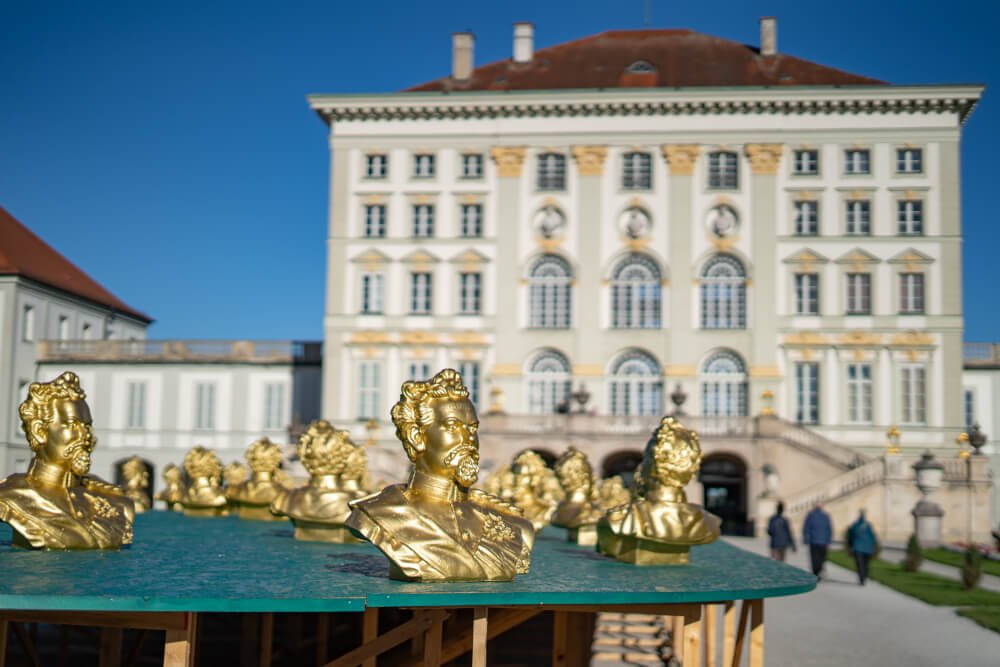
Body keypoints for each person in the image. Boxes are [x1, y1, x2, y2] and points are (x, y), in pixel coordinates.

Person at [346, 368, 535, 581]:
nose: (469, 439)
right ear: (417, 437)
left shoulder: (515, 526)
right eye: (453, 426)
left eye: (472, 429)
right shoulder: (379, 514)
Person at [0, 372, 135, 549]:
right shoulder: (10, 496)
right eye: (72, 424)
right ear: (39, 431)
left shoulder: (115, 500)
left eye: (87, 426)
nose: (86, 436)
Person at [802, 502, 833, 578]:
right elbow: (829, 529)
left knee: (814, 558)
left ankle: (816, 572)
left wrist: (806, 539)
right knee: (821, 558)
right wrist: (828, 540)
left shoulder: (811, 515)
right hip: (823, 542)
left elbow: (806, 528)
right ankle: (818, 571)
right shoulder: (825, 516)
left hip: (814, 541)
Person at [847, 509, 878, 585]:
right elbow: (873, 537)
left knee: (860, 565)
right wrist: (873, 545)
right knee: (866, 565)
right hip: (867, 548)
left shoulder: (855, 525)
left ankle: (862, 579)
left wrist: (850, 545)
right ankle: (864, 577)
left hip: (858, 548)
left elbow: (850, 537)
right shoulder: (868, 526)